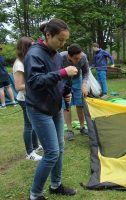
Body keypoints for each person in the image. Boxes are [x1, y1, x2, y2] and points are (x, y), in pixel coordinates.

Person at [24, 18, 78, 200]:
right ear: (48, 35)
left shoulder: (55, 54)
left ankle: (55, 185)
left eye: (65, 41)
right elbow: (34, 82)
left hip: (55, 107)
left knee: (60, 149)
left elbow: (54, 82)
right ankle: (35, 194)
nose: (63, 45)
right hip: (39, 109)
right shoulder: (34, 54)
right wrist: (63, 73)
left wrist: (64, 92)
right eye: (60, 40)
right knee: (52, 152)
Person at [13, 37, 43, 161]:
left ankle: (35, 146)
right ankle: (29, 153)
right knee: (28, 125)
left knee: (33, 123)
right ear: (25, 48)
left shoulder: (26, 61)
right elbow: (19, 86)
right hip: (24, 99)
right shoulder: (19, 64)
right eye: (31, 46)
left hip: (30, 97)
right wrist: (36, 83)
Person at [60, 43, 89, 141]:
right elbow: (55, 73)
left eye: (79, 57)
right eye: (76, 58)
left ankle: (82, 127)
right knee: (66, 105)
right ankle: (70, 130)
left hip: (77, 80)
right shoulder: (60, 57)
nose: (79, 60)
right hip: (64, 80)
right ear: (69, 56)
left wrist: (84, 84)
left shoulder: (83, 57)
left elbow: (86, 72)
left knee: (80, 104)